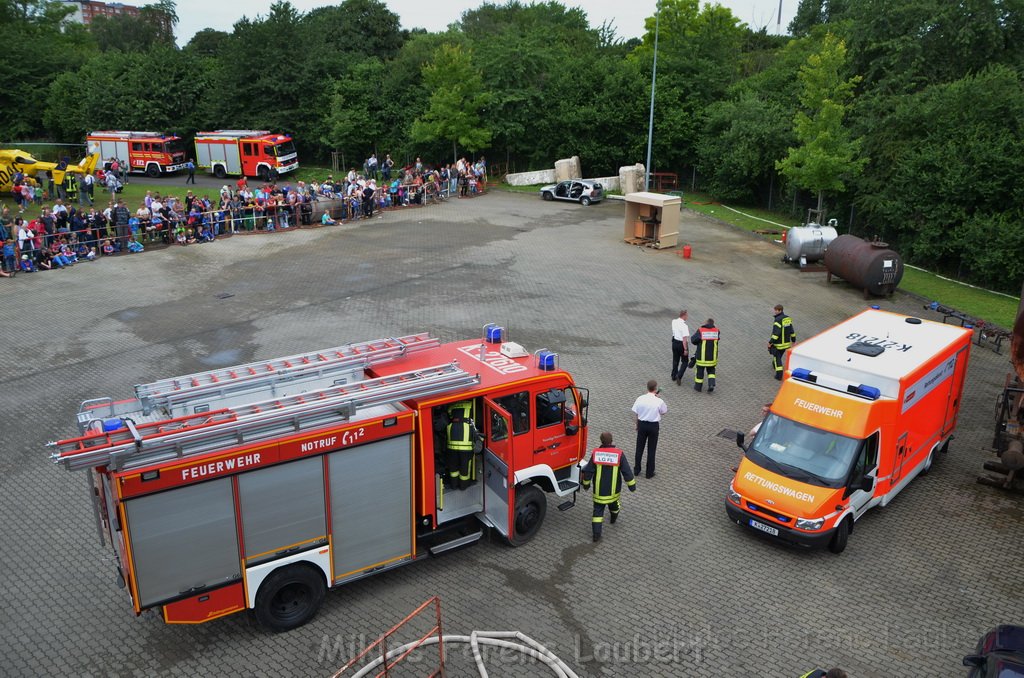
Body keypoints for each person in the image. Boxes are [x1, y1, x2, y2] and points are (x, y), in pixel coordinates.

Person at [581, 432, 636, 542]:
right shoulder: (619, 454)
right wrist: (632, 486)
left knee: (597, 513)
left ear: (601, 441)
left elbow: (589, 471)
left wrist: (586, 484)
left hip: (599, 491)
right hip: (613, 492)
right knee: (614, 506)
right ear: (611, 441)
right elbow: (627, 471)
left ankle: (596, 535)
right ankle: (613, 518)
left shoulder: (596, 453)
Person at [631, 380, 667, 478]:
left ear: (647, 388)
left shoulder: (640, 398)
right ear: (656, 389)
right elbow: (664, 412)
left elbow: (636, 412)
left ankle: (636, 470)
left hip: (642, 425)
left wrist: (637, 424)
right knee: (651, 450)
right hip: (653, 426)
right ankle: (649, 473)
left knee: (639, 448)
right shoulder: (659, 401)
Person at [445, 401, 478, 490]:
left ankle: (454, 485)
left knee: (453, 468)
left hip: (451, 445)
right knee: (465, 469)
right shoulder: (471, 404)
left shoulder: (451, 406)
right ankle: (463, 486)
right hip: (465, 446)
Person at [691, 318, 720, 393]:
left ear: (706, 323)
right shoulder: (717, 331)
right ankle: (711, 384)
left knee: (699, 372)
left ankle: (698, 387)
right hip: (712, 358)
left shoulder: (701, 330)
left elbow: (693, 340)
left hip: (702, 358)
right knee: (711, 371)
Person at [769, 304, 796, 380]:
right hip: (786, 344)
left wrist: (770, 342)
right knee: (779, 355)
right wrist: (793, 340)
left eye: (776, 310)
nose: (775, 311)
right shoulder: (787, 319)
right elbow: (791, 330)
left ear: (780, 310)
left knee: (777, 359)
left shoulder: (778, 320)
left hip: (778, 344)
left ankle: (779, 375)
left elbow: (776, 333)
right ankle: (774, 364)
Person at [670, 309, 690, 385]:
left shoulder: (674, 321)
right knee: (685, 361)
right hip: (682, 344)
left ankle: (673, 375)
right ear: (684, 315)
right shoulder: (684, 326)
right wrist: (685, 349)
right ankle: (679, 375)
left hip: (674, 342)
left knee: (675, 360)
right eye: (687, 315)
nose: (687, 317)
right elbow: (684, 339)